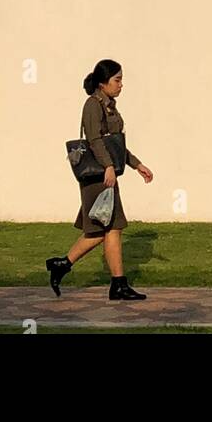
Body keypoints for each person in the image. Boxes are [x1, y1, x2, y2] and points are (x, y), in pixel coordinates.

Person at [46, 59, 153, 300]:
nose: (121, 85)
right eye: (117, 80)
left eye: (121, 79)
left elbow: (115, 145)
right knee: (109, 228)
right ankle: (117, 284)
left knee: (102, 231)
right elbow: (94, 140)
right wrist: (108, 167)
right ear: (103, 82)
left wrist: (137, 165)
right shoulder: (92, 105)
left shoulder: (110, 106)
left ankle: (63, 265)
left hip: (108, 174)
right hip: (98, 177)